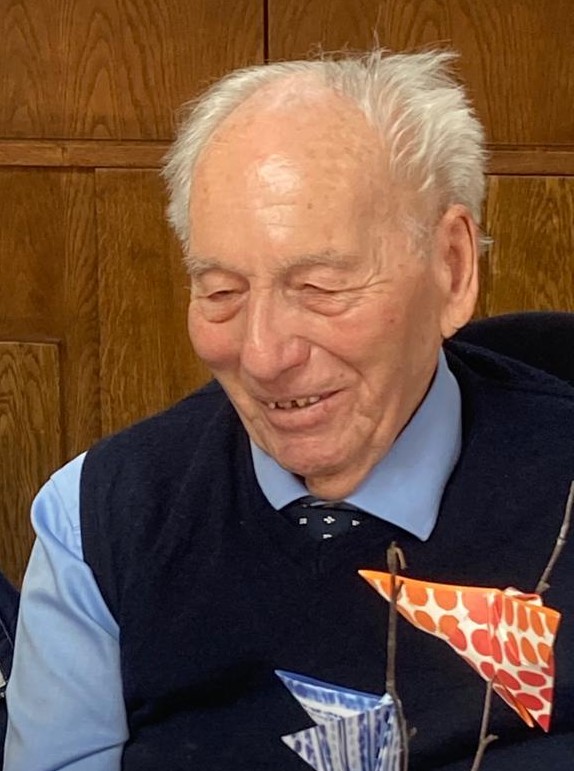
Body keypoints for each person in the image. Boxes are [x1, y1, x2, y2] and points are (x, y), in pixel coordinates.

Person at [3, 50, 574, 770]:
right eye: (221, 292)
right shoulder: (96, 520)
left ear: (452, 268)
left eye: (320, 288)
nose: (264, 354)